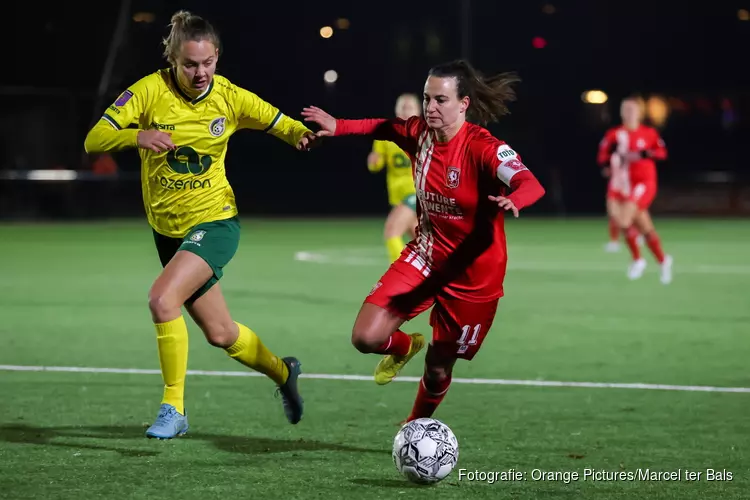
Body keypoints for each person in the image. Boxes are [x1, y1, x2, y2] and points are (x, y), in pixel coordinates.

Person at [83, 10, 312, 439]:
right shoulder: (148, 92)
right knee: (222, 334)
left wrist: (299, 133)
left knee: (161, 300)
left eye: (208, 63)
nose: (200, 72)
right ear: (173, 59)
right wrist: (137, 136)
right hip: (169, 232)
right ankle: (284, 372)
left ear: (217, 57)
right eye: (190, 64)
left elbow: (276, 121)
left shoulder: (229, 96)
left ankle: (174, 408)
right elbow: (94, 138)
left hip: (216, 222)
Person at [302, 60, 545, 422]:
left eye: (440, 100)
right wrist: (337, 126)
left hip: (472, 279)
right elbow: (382, 127)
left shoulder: (484, 148)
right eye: (427, 98)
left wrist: (516, 199)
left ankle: (416, 424)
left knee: (438, 368)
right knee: (365, 337)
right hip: (426, 255)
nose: (430, 108)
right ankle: (404, 346)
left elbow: (530, 183)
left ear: (463, 104)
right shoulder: (419, 133)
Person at [599, 97, 672, 283]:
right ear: (622, 112)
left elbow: (662, 153)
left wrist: (644, 154)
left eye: (633, 109)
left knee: (625, 219)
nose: (630, 113)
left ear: (639, 112)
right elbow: (602, 156)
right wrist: (608, 163)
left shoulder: (649, 133)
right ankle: (663, 261)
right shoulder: (614, 134)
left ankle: (638, 259)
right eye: (626, 109)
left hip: (643, 183)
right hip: (620, 183)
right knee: (637, 224)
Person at [368, 94, 421, 262]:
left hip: (415, 193)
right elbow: (376, 164)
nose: (406, 111)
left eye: (410, 107)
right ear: (396, 110)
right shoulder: (386, 135)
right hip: (398, 195)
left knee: (392, 231)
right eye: (403, 107)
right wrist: (373, 162)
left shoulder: (424, 134)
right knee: (420, 240)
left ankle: (402, 276)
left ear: (418, 111)